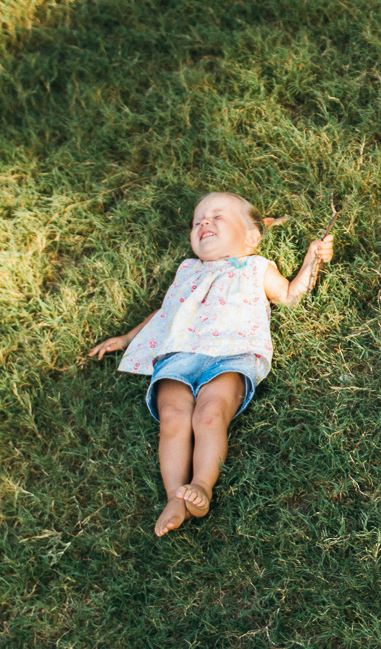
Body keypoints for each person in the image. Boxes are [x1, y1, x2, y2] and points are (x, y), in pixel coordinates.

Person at [87, 192, 332, 535]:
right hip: (178, 355)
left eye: (217, 216)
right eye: (197, 220)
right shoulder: (187, 270)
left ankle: (201, 485)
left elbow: (290, 295)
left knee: (210, 415)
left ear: (252, 237)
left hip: (231, 354)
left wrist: (311, 260)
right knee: (172, 418)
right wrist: (128, 337)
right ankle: (175, 497)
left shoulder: (256, 267)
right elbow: (167, 311)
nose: (203, 221)